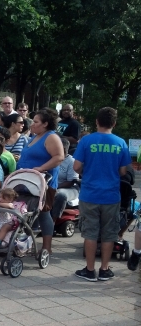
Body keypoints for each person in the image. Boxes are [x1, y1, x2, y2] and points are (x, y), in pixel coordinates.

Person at [73, 107, 131, 282]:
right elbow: (123, 171)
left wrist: (88, 172)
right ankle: (105, 269)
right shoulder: (120, 143)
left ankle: (89, 270)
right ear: (114, 123)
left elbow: (76, 167)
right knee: (109, 233)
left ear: (96, 122)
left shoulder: (86, 141)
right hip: (111, 196)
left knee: (90, 233)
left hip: (89, 194)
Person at [17, 108, 64, 255]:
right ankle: (23, 243)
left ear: (45, 124)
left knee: (43, 213)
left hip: (43, 182)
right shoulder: (34, 136)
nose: (32, 124)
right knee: (24, 211)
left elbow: (59, 157)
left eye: (36, 122)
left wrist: (41, 168)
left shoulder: (51, 137)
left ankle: (46, 247)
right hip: (27, 181)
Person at [51, 138, 80, 224]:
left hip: (69, 188)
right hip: (51, 185)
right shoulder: (51, 158)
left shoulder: (71, 161)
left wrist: (54, 187)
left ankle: (53, 221)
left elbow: (71, 182)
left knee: (60, 195)